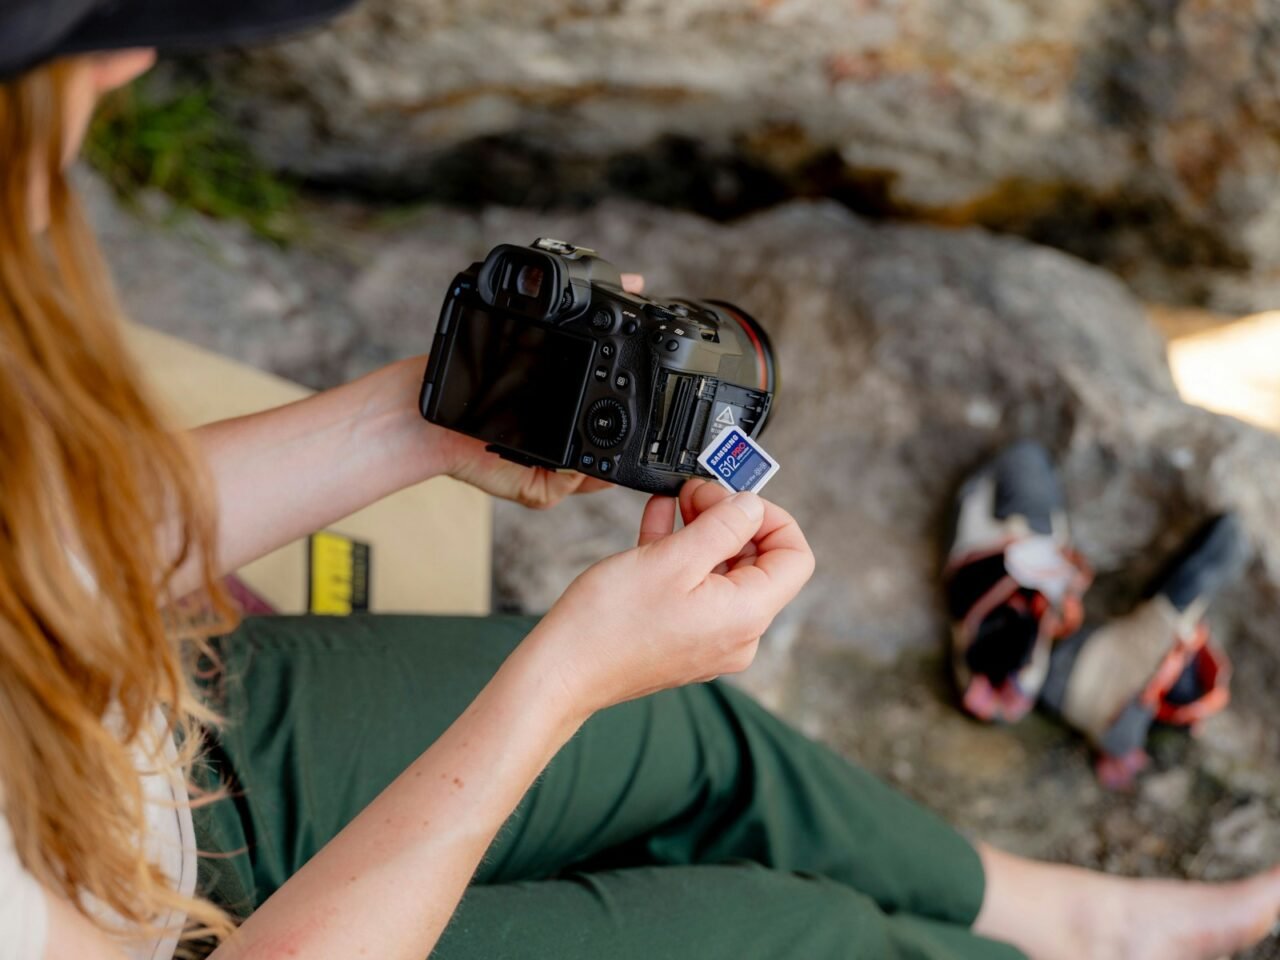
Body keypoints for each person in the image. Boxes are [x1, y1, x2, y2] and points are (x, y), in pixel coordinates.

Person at [2, 3, 1278, 959]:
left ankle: (1076, 917)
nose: (130, 60)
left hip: (129, 746)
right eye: (81, 36)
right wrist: (560, 678)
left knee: (687, 731)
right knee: (781, 940)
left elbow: (36, 550)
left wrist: (437, 413)